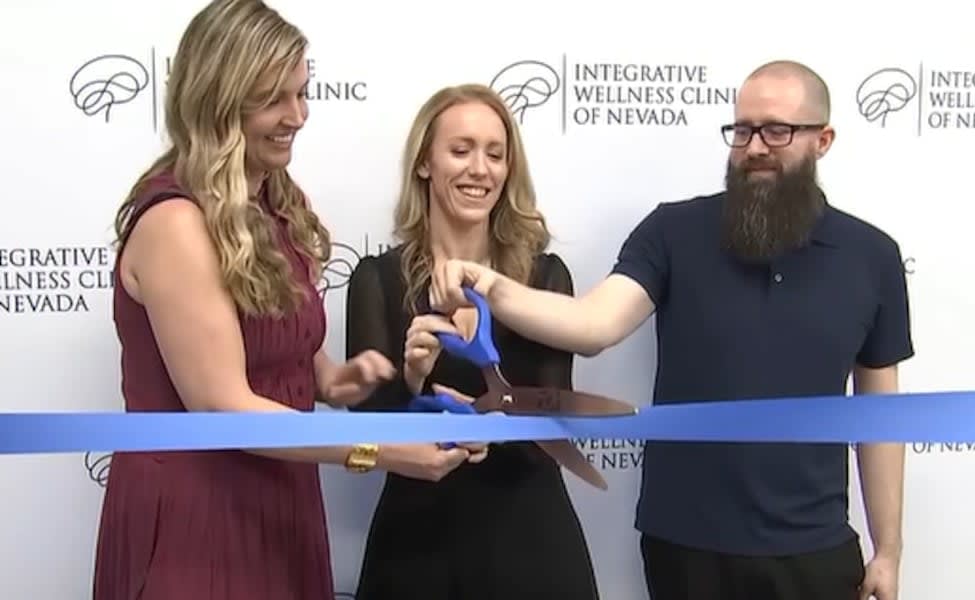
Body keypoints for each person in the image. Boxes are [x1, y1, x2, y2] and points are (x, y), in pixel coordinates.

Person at [425, 60, 912, 600]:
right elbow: (593, 324)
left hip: (815, 551)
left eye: (777, 130)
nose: (754, 147)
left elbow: (880, 417)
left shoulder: (873, 257)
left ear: (823, 140)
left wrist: (888, 550)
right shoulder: (673, 232)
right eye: (743, 129)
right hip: (686, 550)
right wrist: (490, 285)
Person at [91, 2, 479, 599]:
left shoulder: (273, 205)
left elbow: (283, 364)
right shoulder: (174, 222)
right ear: (218, 99)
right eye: (274, 98)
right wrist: (378, 451)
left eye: (302, 93)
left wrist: (341, 380)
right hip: (197, 518)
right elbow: (222, 407)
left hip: (278, 497)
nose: (296, 116)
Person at [343, 83, 600, 600]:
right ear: (424, 163)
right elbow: (368, 432)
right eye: (460, 150)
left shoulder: (544, 279)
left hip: (530, 543)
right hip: (415, 549)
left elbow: (553, 424)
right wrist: (413, 380)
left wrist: (496, 431)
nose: (479, 169)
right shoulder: (377, 279)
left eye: (495, 154)